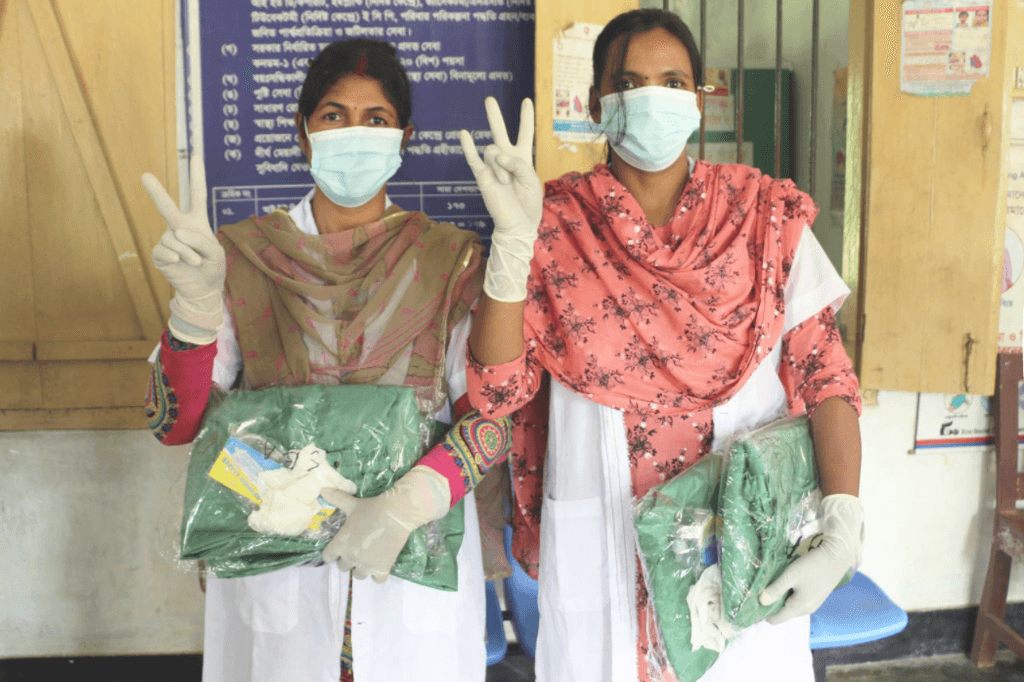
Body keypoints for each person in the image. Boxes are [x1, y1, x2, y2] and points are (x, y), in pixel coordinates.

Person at [460, 9, 863, 682]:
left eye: (673, 80)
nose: (653, 96)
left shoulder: (763, 217)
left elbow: (826, 376)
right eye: (631, 81)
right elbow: (496, 392)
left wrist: (843, 518)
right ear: (597, 104)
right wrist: (511, 243)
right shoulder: (548, 223)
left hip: (744, 542)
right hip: (608, 539)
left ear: (700, 96)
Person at [142, 39, 510, 682]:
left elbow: (489, 422)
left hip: (409, 562)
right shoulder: (241, 259)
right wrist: (194, 310)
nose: (355, 133)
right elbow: (171, 424)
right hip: (277, 572)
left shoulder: (446, 262)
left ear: (404, 137)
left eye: (376, 119)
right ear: (304, 134)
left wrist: (404, 505)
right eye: (334, 115)